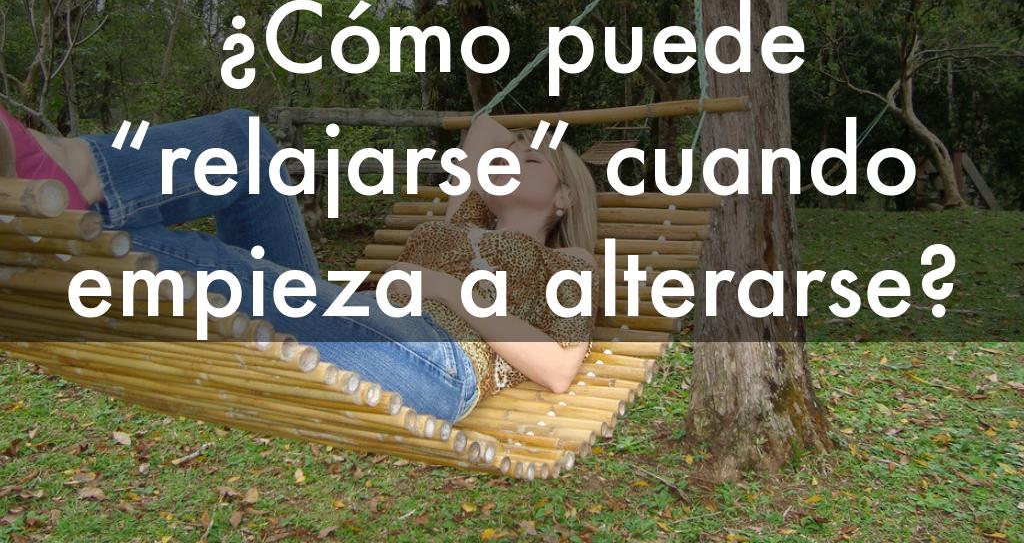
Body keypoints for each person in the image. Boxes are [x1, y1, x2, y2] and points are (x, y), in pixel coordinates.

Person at [0, 104, 599, 423]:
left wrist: (443, 288)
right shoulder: (464, 218)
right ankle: (70, 167)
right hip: (356, 319)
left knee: (215, 269)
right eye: (512, 153)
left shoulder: (567, 263)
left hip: (442, 362)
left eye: (533, 160)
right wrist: (512, 148)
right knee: (242, 138)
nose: (513, 156)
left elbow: (558, 367)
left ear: (565, 198)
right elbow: (483, 130)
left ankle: (65, 231)